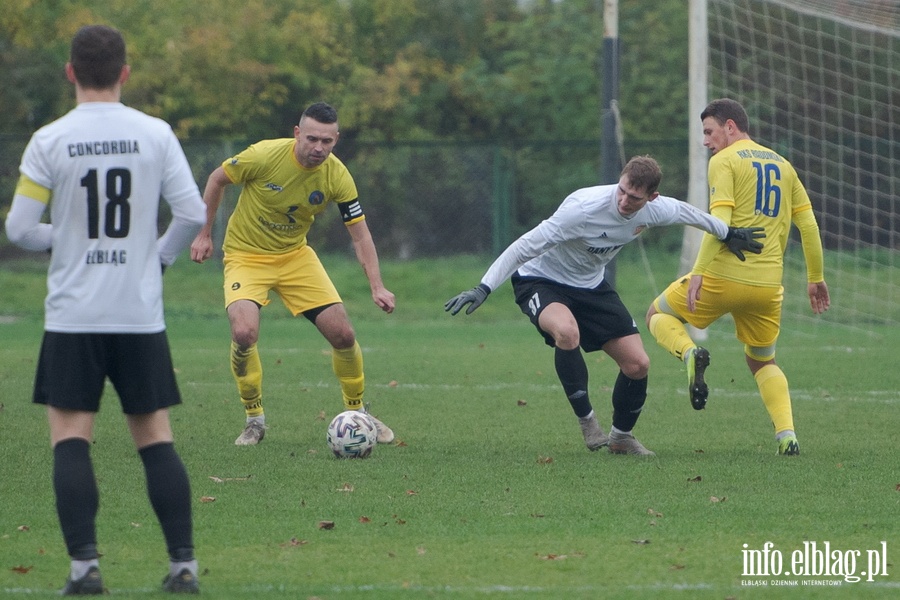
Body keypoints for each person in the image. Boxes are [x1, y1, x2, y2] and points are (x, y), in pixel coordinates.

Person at [3, 25, 204, 594]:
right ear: (125, 73)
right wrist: (157, 261)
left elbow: (18, 228)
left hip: (74, 316)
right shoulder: (156, 133)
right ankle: (183, 566)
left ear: (69, 72)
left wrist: (65, 239)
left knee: (70, 439)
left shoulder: (49, 139)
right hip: (138, 314)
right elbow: (190, 214)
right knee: (156, 437)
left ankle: (85, 568)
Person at [445, 155, 764, 455]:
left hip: (591, 287)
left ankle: (621, 438)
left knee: (638, 365)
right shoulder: (582, 209)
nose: (624, 201)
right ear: (620, 182)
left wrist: (728, 232)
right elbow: (524, 246)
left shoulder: (655, 210)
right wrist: (484, 287)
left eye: (634, 198)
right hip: (540, 280)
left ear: (651, 197)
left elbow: (689, 213)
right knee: (567, 333)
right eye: (622, 191)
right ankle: (588, 422)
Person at [190, 102, 396, 446]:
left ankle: (358, 413)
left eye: (327, 142)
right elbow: (216, 179)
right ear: (297, 133)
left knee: (344, 334)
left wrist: (377, 286)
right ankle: (254, 418)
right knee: (244, 332)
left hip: (295, 257)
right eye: (312, 139)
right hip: (246, 256)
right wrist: (204, 233)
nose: (319, 148)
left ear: (336, 140)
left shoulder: (337, 175)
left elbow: (360, 234)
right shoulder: (263, 156)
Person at [646, 98, 830, 456]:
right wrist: (815, 277)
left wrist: (698, 272)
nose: (705, 141)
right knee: (762, 360)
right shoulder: (783, 164)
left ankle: (689, 354)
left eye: (709, 131)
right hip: (767, 287)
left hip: (723, 278)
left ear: (731, 127)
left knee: (657, 314)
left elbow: (720, 224)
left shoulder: (724, 161)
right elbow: (807, 224)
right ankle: (787, 435)